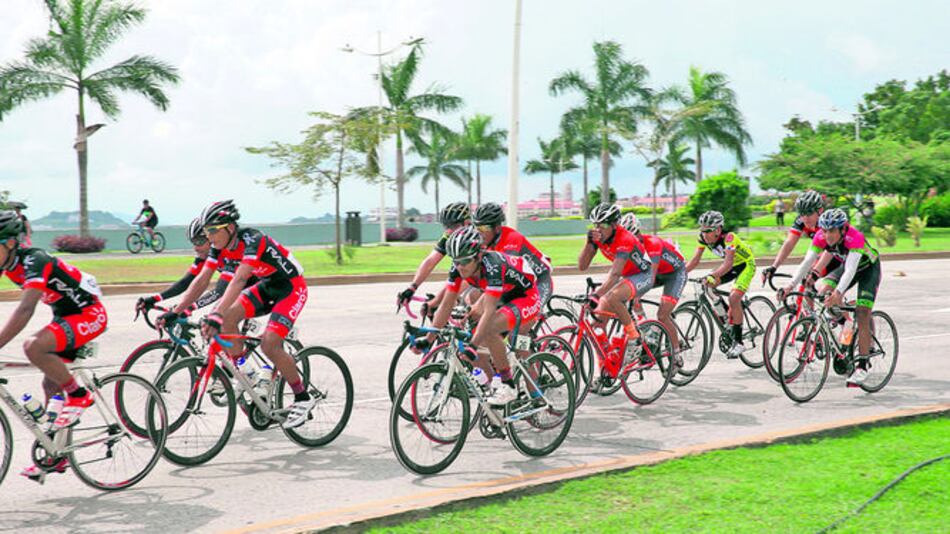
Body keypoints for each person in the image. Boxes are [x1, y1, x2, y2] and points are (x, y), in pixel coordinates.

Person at [156, 200, 314, 429]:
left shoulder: (253, 240)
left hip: (290, 288)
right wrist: (177, 310)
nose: (208, 236)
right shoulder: (217, 248)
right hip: (267, 285)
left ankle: (302, 398)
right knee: (228, 320)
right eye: (206, 231)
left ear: (230, 227)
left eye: (212, 230)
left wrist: (216, 314)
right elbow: (202, 280)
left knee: (270, 344)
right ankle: (246, 373)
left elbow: (238, 280)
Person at [0, 210, 106, 481]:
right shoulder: (7, 264)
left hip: (89, 314)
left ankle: (79, 394)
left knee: (33, 347)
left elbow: (25, 310)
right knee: (49, 385)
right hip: (65, 316)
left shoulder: (35, 260)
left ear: (10, 243)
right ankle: (55, 454)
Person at [424, 226, 541, 405]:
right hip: (504, 293)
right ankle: (491, 381)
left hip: (527, 295)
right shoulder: (459, 267)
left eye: (464, 261)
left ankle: (512, 385)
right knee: (472, 323)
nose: (459, 266)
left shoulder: (492, 265)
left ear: (478, 256)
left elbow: (489, 310)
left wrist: (473, 345)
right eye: (455, 261)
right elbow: (447, 304)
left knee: (496, 331)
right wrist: (429, 338)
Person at [780, 208, 881, 386]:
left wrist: (838, 294)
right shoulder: (821, 236)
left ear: (843, 229)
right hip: (847, 268)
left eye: (832, 231)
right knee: (823, 291)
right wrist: (790, 285)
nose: (827, 235)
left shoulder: (854, 237)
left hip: (867, 269)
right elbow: (807, 262)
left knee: (862, 313)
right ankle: (846, 325)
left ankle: (862, 366)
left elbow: (850, 270)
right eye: (824, 230)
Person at [578, 203, 653, 368]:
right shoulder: (598, 237)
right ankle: (607, 365)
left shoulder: (624, 238)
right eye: (595, 225)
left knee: (613, 297)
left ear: (614, 225)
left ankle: (634, 338)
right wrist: (589, 242)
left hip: (642, 275)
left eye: (603, 225)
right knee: (596, 326)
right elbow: (582, 266)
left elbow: (614, 274)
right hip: (625, 277)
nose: (598, 229)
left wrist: (596, 295)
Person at [685, 210, 756, 359]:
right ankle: (726, 318)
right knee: (708, 286)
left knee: (734, 298)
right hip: (729, 267)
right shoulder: (703, 239)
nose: (704, 235)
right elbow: (695, 260)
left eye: (708, 231)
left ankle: (739, 342)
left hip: (744, 265)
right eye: (702, 231)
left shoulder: (729, 238)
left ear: (718, 230)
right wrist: (680, 274)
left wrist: (712, 275)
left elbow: (728, 264)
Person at [619, 213, 685, 358]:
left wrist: (636, 294)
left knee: (662, 315)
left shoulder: (652, 244)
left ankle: (676, 353)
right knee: (628, 295)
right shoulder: (628, 246)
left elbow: (650, 276)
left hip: (674, 274)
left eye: (633, 236)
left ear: (638, 232)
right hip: (658, 273)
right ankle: (647, 329)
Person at [472, 202, 553, 307]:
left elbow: (502, 273)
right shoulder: (486, 242)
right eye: (476, 228)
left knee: (526, 315)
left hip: (540, 281)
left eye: (483, 228)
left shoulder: (512, 238)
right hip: (518, 284)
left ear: (496, 228)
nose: (478, 233)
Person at [396, 202, 470, 313]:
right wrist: (412, 287)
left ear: (467, 223)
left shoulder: (476, 239)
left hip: (484, 281)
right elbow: (430, 261)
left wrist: (439, 300)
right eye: (446, 226)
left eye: (453, 226)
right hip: (462, 278)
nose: (449, 230)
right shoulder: (449, 236)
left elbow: (470, 278)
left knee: (469, 300)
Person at [761, 190, 837, 286]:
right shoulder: (800, 221)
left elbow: (829, 251)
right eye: (802, 213)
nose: (805, 218)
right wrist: (774, 266)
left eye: (809, 213)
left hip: (838, 256)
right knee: (806, 285)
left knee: (807, 278)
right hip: (824, 253)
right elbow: (789, 243)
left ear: (820, 210)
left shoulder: (827, 223)